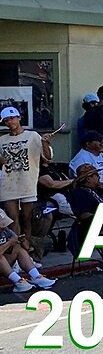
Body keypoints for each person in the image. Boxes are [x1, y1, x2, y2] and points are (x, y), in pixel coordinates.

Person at [1, 105, 54, 247]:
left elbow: (47, 158)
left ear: (19, 118)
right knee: (13, 219)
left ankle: (26, 249)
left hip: (27, 182)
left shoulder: (33, 136)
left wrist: (45, 143)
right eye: (6, 120)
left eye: (12, 118)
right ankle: (16, 251)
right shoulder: (2, 140)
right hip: (8, 184)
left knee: (26, 218)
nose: (10, 122)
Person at [1, 207, 57, 291]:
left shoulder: (5, 230)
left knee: (19, 248)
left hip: (5, 262)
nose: (3, 227)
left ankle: (36, 276)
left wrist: (22, 241)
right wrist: (9, 243)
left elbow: (26, 247)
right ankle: (18, 281)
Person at [68, 131, 103, 197]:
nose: (102, 143)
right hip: (99, 198)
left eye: (102, 141)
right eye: (99, 141)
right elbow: (83, 182)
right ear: (88, 144)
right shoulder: (80, 159)